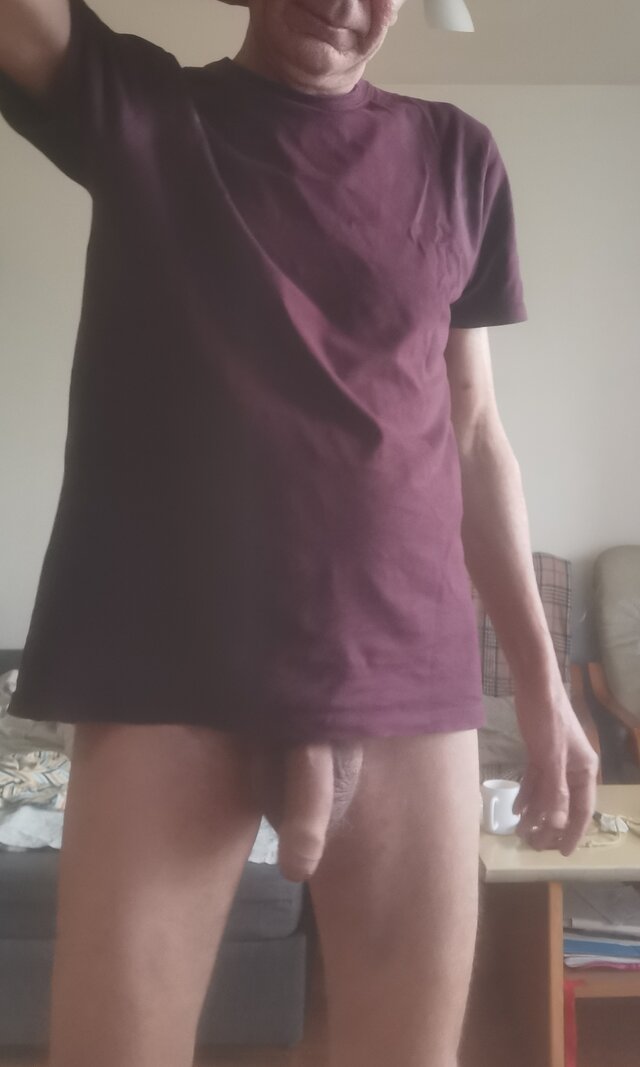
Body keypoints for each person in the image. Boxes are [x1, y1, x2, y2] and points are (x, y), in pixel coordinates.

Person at [0, 2, 599, 1065]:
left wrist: (544, 688)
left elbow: (474, 435)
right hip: (167, 673)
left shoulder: (457, 156)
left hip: (407, 674)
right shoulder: (144, 111)